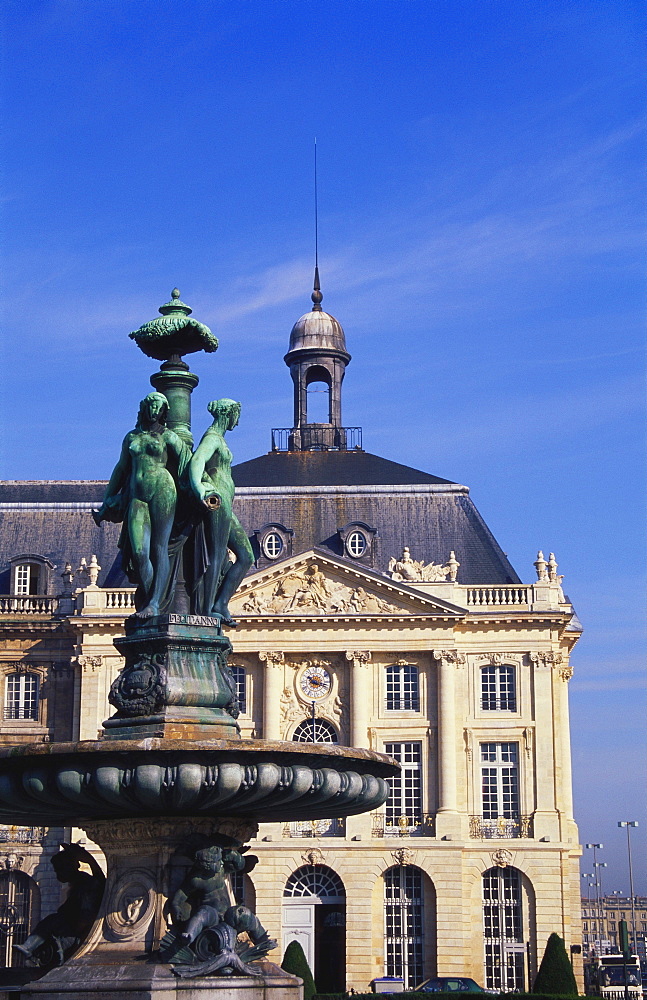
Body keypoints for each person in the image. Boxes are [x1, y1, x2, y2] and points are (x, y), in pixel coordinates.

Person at [93, 392, 190, 618]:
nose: (154, 410)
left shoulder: (169, 436)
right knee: (138, 551)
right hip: (137, 495)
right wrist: (108, 497)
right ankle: (150, 597)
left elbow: (186, 461)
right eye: (151, 405)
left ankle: (155, 603)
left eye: (158, 406)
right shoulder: (131, 437)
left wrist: (199, 487)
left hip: (163, 490)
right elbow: (121, 468)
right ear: (144, 408)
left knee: (159, 549)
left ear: (164, 410)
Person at [188, 400, 253, 624]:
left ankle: (220, 603)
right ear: (228, 414)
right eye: (237, 414)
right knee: (216, 556)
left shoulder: (219, 439)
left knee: (246, 556)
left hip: (226, 504)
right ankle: (207, 609)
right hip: (216, 501)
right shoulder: (212, 438)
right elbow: (197, 460)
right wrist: (199, 488)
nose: (239, 420)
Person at [14, 843, 105, 967]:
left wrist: (68, 927)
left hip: (75, 935)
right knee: (50, 923)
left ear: (71, 867)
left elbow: (86, 916)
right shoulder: (79, 883)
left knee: (51, 923)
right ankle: (29, 950)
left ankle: (29, 948)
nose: (57, 874)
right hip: (70, 929)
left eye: (60, 870)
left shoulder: (85, 885)